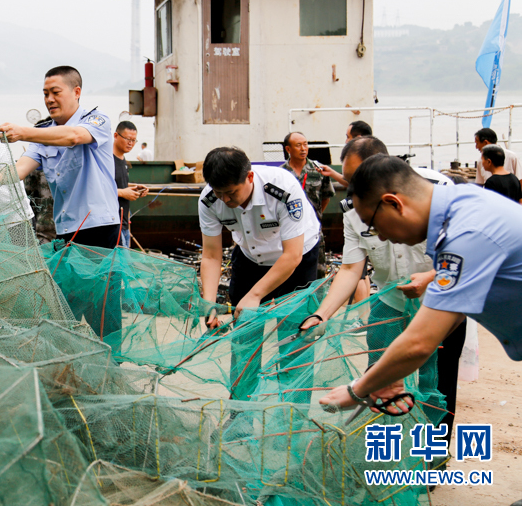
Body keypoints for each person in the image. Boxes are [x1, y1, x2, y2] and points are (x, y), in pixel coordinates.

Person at [320, 156, 522, 452]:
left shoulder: (464, 233)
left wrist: (358, 389)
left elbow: (419, 342)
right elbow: (454, 310)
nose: (383, 236)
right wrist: (393, 373)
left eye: (375, 225)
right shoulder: (459, 207)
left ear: (394, 203)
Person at [303, 137, 465, 446]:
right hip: (389, 299)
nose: (352, 187)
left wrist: (431, 277)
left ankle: (432, 453)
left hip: (442, 299)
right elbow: (352, 269)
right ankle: (386, 447)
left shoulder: (436, 191)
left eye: (358, 177)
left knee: (437, 382)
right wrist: (321, 314)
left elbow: (466, 258)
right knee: (381, 378)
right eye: (349, 179)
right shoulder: (353, 209)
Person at [199, 147, 321, 400]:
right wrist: (209, 304)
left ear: (250, 178)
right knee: (245, 340)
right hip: (250, 257)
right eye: (219, 193)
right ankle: (240, 419)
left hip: (295, 260)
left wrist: (255, 296)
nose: (225, 200)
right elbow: (211, 255)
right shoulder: (209, 200)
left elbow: (292, 255)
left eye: (231, 193)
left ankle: (292, 422)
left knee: (294, 338)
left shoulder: (282, 188)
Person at [0, 66, 120, 249]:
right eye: (45, 94)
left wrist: (22, 132)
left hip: (98, 224)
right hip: (64, 226)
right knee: (66, 278)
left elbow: (74, 136)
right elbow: (17, 171)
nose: (49, 100)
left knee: (97, 277)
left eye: (55, 92)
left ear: (76, 92)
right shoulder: (41, 133)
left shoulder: (97, 120)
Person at [280, 131, 334, 220]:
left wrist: (315, 215)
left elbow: (326, 198)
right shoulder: (281, 173)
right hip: (289, 225)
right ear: (288, 149)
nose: (303, 149)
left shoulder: (319, 170)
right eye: (298, 145)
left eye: (305, 144)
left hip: (313, 224)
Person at [113, 121, 148, 248]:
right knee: (118, 266)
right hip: (113, 225)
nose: (131, 143)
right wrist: (123, 192)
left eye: (134, 140)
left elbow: (120, 184)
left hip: (124, 225)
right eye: (128, 139)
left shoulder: (123, 161)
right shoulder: (106, 160)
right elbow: (96, 190)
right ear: (116, 136)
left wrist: (135, 188)